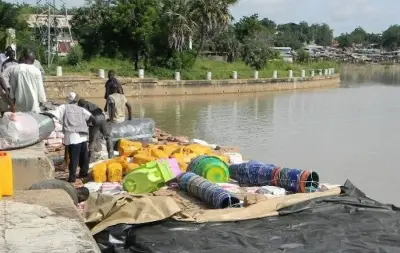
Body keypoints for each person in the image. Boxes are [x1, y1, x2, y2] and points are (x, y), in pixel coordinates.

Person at [47, 92, 93, 183]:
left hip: (72, 137)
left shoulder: (64, 107)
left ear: (68, 99)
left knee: (74, 158)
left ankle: (72, 178)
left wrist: (45, 114)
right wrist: (85, 124)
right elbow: (91, 117)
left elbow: (54, 114)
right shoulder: (81, 109)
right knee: (84, 157)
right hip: (82, 136)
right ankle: (83, 174)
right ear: (76, 100)